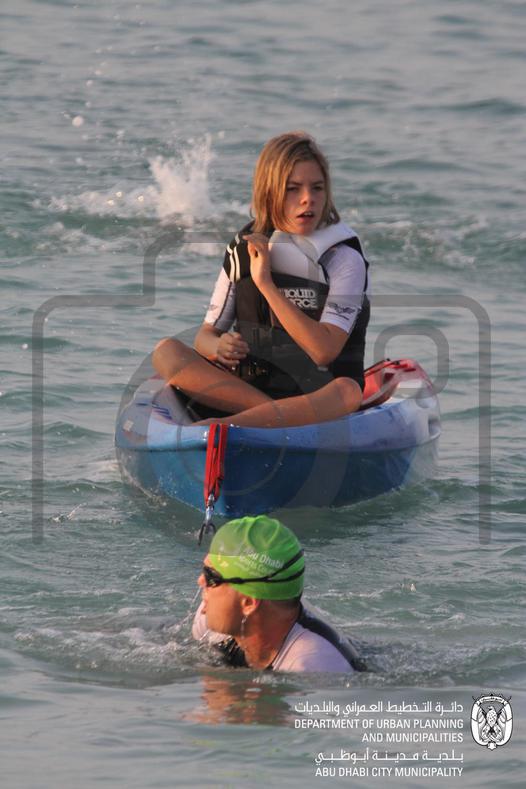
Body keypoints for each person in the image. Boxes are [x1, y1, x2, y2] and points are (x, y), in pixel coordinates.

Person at [152, 131, 370, 428]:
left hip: (319, 396)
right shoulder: (244, 250)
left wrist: (266, 284)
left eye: (317, 188)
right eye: (293, 189)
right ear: (269, 192)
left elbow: (324, 351)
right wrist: (219, 347)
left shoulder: (343, 259)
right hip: (253, 391)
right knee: (166, 352)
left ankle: (226, 428)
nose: (308, 198)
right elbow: (205, 336)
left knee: (348, 391)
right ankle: (267, 415)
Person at [192, 515, 366, 673]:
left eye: (211, 576)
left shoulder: (313, 665)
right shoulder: (212, 616)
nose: (201, 581)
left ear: (249, 603)